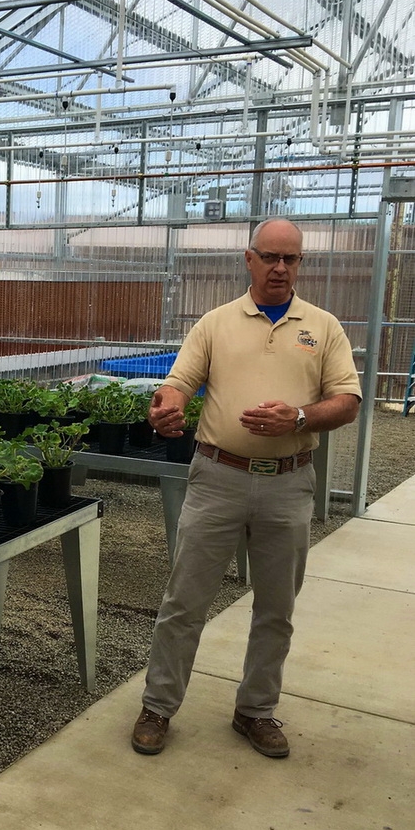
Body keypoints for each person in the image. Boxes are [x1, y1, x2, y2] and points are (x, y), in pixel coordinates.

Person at [132, 218, 361, 759]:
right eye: (271, 257)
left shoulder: (323, 327)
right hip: (218, 477)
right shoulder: (215, 324)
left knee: (276, 607)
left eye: (292, 259)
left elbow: (347, 401)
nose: (281, 268)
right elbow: (180, 381)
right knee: (184, 601)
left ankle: (256, 710)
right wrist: (168, 406)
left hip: (287, 484)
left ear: (300, 264)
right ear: (249, 259)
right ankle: (158, 706)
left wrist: (301, 416)